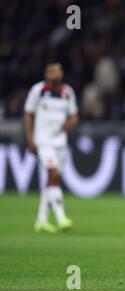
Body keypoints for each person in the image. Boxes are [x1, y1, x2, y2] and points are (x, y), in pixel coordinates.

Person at [24, 63, 79, 233]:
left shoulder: (67, 92)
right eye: (52, 71)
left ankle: (41, 221)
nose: (55, 73)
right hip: (43, 142)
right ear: (46, 74)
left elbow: (74, 115)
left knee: (51, 180)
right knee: (53, 174)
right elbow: (28, 114)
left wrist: (69, 123)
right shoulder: (37, 91)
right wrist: (30, 138)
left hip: (60, 143)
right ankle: (61, 218)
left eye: (59, 70)